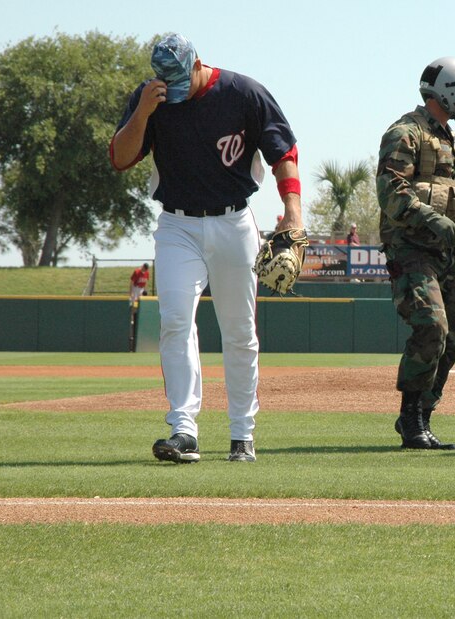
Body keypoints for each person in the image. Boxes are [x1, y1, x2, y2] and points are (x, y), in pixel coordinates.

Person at [110, 33, 303, 463]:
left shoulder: (242, 92)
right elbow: (120, 157)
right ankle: (183, 428)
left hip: (234, 222)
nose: (173, 91)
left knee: (239, 331)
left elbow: (283, 151)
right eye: (166, 83)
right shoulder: (151, 99)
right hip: (177, 225)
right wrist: (142, 112)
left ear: (197, 63)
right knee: (176, 320)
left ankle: (242, 433)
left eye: (181, 81)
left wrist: (293, 211)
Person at [377, 56, 455, 450]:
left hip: (446, 257)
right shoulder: (406, 133)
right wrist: (431, 219)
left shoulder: (452, 139)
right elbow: (391, 191)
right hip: (412, 250)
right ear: (450, 92)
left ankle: (424, 415)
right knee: (432, 326)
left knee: (450, 338)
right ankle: (411, 418)